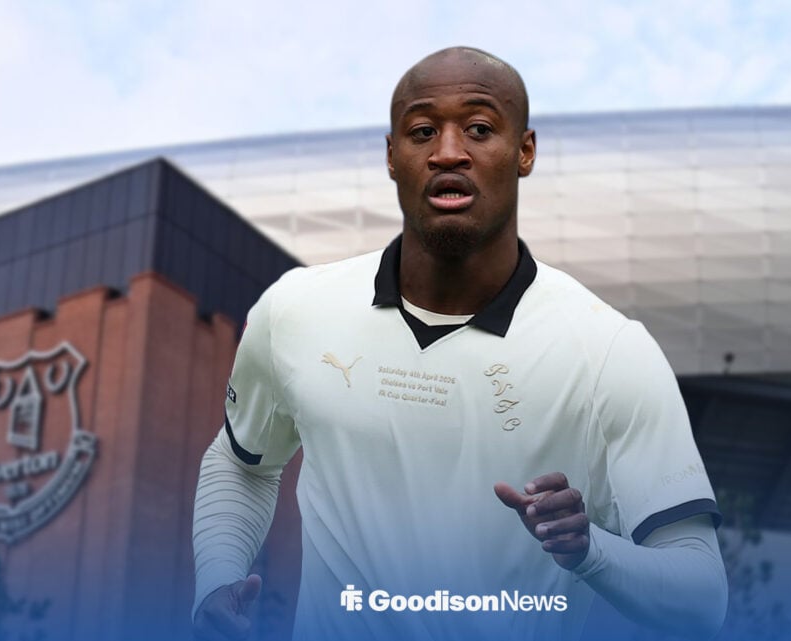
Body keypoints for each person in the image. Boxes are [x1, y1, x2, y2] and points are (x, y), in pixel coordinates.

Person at [192, 46, 728, 641]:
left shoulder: (608, 350)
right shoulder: (296, 309)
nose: (449, 152)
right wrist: (216, 578)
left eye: (478, 128)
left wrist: (588, 550)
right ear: (393, 156)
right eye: (423, 131)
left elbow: (701, 597)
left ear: (524, 151)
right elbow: (242, 464)